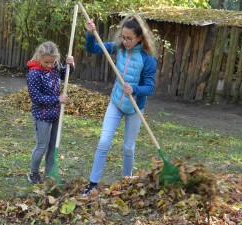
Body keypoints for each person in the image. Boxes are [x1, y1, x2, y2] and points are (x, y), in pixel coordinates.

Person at [83, 14, 157, 196]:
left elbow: (149, 88)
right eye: (123, 37)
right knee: (104, 141)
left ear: (140, 38)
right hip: (116, 103)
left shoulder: (148, 59)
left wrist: (134, 88)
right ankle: (93, 184)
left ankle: (127, 183)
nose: (125, 41)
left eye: (129, 38)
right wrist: (91, 34)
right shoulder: (118, 48)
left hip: (134, 108)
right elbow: (92, 47)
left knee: (128, 148)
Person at [26, 41, 75, 185]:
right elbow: (36, 98)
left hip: (55, 114)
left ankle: (49, 176)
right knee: (42, 146)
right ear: (39, 57)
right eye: (46, 62)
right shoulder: (34, 73)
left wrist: (70, 64)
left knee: (53, 146)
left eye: (52, 62)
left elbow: (66, 74)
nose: (49, 65)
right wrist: (57, 99)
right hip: (42, 115)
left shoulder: (55, 67)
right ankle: (33, 174)